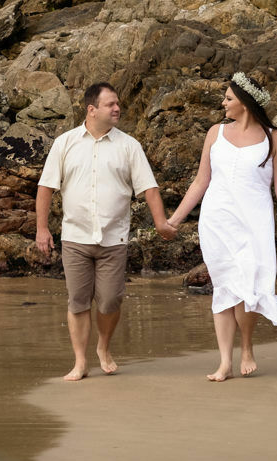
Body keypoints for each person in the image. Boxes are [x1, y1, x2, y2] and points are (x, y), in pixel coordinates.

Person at [166, 72, 277, 381]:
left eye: (228, 98)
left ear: (244, 102)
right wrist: (174, 219)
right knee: (226, 287)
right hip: (217, 221)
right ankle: (225, 362)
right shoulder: (215, 133)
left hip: (254, 222)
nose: (223, 102)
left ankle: (247, 346)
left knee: (249, 289)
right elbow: (202, 181)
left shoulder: (274, 137)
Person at [36, 82, 176, 382]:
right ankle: (79, 362)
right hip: (75, 237)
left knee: (111, 300)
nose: (117, 108)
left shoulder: (129, 146)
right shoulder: (65, 143)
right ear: (92, 109)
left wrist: (161, 222)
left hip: (114, 239)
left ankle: (103, 347)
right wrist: (42, 229)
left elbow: (149, 188)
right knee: (78, 301)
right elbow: (46, 187)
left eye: (117, 103)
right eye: (110, 104)